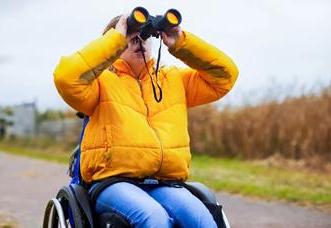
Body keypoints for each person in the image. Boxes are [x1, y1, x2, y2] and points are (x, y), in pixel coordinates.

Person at [54, 12, 238, 228]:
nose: (138, 40)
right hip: (114, 182)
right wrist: (116, 38)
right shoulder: (99, 83)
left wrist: (180, 42)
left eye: (144, 35)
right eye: (130, 37)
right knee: (154, 219)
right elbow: (65, 78)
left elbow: (226, 76)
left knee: (203, 221)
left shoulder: (174, 80)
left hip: (164, 183)